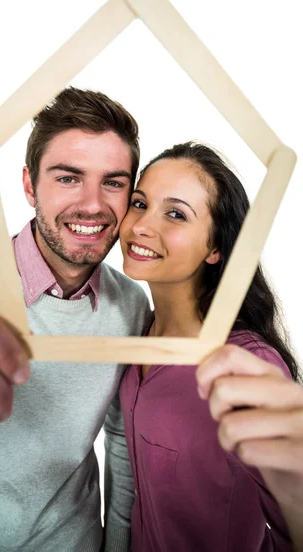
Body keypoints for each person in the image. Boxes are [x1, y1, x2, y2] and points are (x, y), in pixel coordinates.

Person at [0, 87, 152, 552]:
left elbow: (122, 448)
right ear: (28, 185)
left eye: (114, 182)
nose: (93, 205)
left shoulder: (132, 305)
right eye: (68, 178)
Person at [118, 141, 303, 551]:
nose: (141, 226)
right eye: (138, 203)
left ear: (216, 248)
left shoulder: (245, 365)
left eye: (176, 214)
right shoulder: (137, 333)